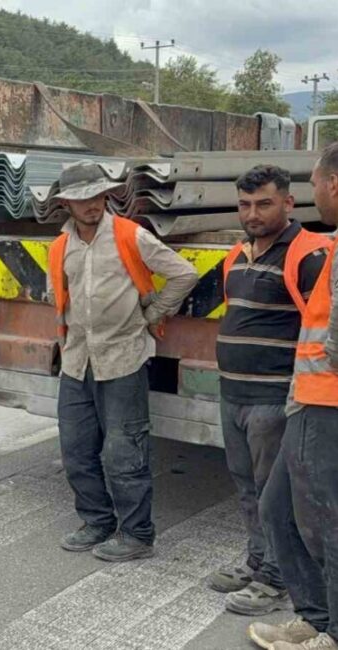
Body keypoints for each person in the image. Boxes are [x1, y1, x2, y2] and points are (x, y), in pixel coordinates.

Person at [47, 160, 198, 562]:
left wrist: (152, 315)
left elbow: (183, 274)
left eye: (98, 196)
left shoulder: (131, 236)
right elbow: (61, 299)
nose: (92, 205)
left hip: (124, 358)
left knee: (124, 451)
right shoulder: (60, 246)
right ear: (66, 204)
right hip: (77, 361)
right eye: (82, 199)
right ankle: (96, 521)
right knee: (76, 449)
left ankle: (137, 534)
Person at [207, 165, 329, 616]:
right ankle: (258, 562)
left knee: (275, 494)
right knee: (245, 486)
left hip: (274, 398)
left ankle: (276, 580)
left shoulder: (308, 255)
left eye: (263, 203)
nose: (252, 214)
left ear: (288, 203)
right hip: (233, 393)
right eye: (244, 205)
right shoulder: (236, 255)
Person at [249, 143, 338, 650]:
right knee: (277, 509)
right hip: (309, 400)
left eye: (314, 185)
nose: (314, 196)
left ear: (334, 183)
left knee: (324, 522)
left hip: (327, 402)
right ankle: (316, 615)